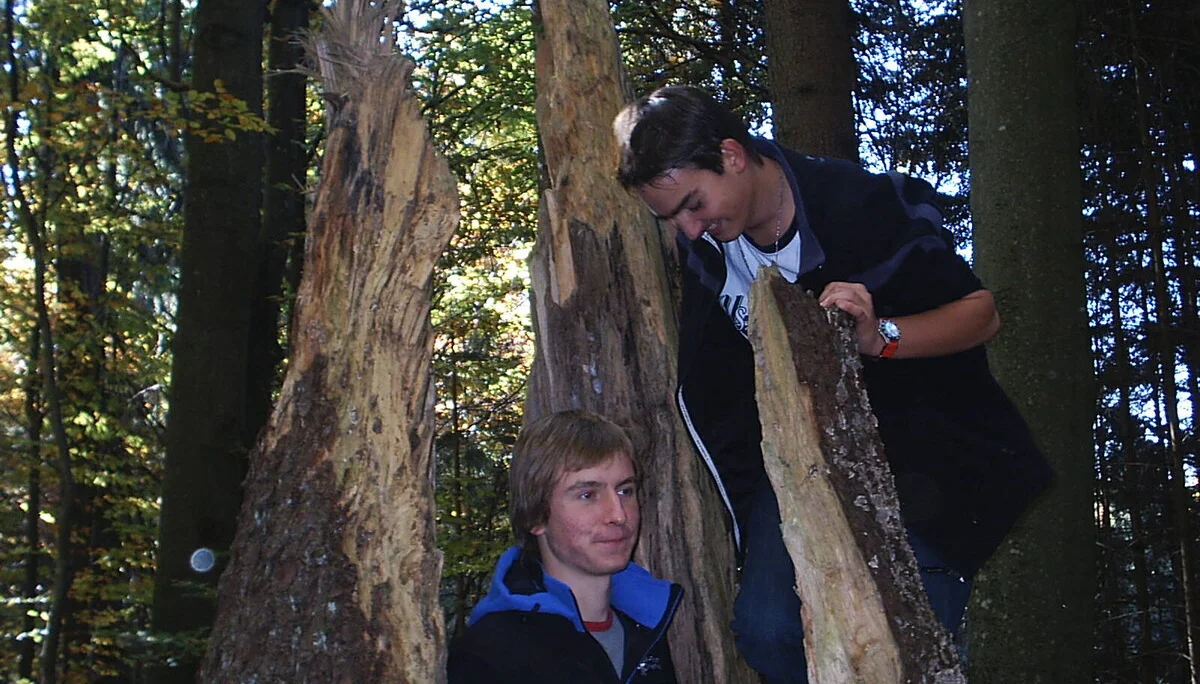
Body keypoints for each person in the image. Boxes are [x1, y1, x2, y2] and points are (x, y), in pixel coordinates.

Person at [613, 85, 1054, 683]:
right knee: (768, 632)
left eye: (693, 204)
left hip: (928, 471)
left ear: (733, 155)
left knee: (902, 651)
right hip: (799, 469)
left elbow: (981, 314)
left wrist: (881, 337)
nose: (689, 230)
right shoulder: (711, 257)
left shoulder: (862, 207)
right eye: (672, 219)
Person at [447, 409, 681, 684]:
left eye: (625, 491)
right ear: (536, 516)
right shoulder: (492, 654)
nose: (619, 515)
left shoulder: (646, 627)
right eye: (587, 495)